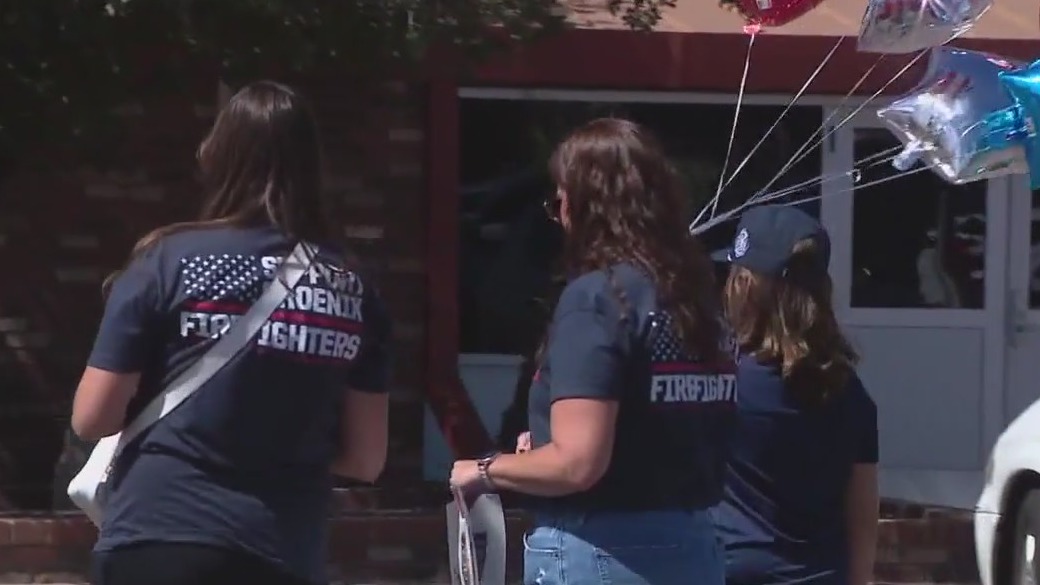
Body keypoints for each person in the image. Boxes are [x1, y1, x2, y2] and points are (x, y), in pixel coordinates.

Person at [71, 81, 391, 585]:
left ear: (216, 156)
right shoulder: (352, 288)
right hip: (280, 546)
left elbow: (92, 417)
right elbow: (366, 458)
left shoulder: (165, 260)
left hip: (158, 534)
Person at [451, 118, 737, 585]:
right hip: (693, 544)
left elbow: (579, 463)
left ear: (586, 206)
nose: (558, 213)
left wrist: (485, 470)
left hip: (602, 551)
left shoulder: (598, 299)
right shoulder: (695, 300)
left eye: (560, 199)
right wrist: (539, 453)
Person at [711, 205, 880, 585]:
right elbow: (863, 518)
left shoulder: (722, 380)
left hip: (731, 571)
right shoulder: (849, 392)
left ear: (744, 286)